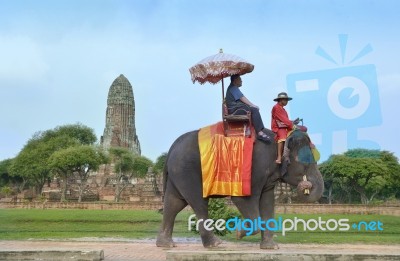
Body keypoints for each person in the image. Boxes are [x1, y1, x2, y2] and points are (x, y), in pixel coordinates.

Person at [225, 74, 271, 142]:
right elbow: (242, 98)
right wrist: (253, 105)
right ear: (235, 80)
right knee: (254, 109)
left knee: (251, 108)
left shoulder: (233, 88)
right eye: (240, 79)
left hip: (236, 109)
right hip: (235, 110)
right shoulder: (233, 88)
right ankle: (259, 132)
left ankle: (256, 129)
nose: (241, 81)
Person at [271, 92, 299, 164]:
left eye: (287, 100)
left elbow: (285, 120)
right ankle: (279, 157)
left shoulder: (283, 110)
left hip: (285, 125)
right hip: (278, 127)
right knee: (282, 136)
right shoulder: (276, 107)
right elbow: (283, 119)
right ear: (280, 100)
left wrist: (293, 122)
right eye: (285, 100)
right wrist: (292, 125)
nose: (286, 101)